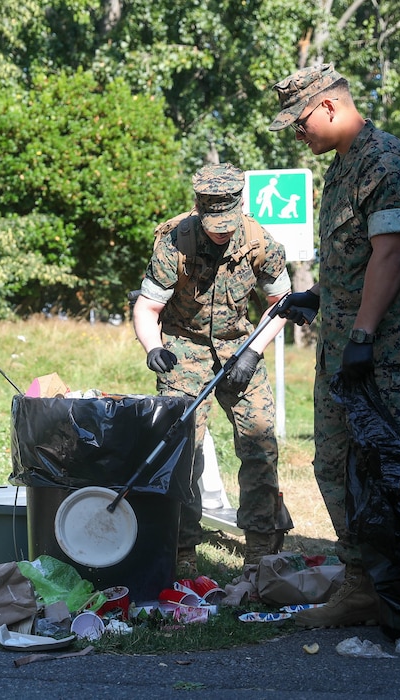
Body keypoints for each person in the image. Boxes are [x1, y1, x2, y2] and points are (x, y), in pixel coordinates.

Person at [269, 64, 400, 627]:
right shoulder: (341, 170)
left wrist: (364, 334)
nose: (298, 134)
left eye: (298, 123)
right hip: (345, 350)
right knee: (335, 466)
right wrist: (315, 296)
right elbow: (355, 259)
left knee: (396, 472)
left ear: (327, 106)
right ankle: (364, 585)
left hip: (391, 352)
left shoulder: (387, 161)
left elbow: (390, 254)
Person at [132, 163, 292, 576]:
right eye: (212, 223)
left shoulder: (262, 244)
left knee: (259, 442)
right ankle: (182, 549)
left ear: (240, 208)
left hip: (241, 344)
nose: (220, 231)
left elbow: (282, 305)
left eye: (227, 223)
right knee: (182, 449)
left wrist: (254, 352)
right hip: (185, 346)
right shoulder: (175, 242)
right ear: (199, 210)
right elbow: (148, 307)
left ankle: (259, 546)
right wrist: (153, 347)